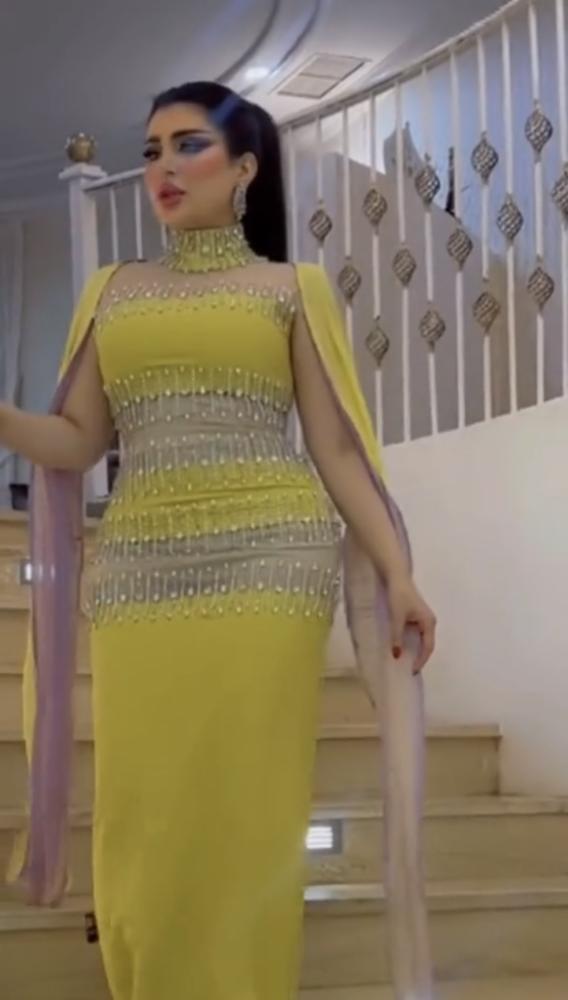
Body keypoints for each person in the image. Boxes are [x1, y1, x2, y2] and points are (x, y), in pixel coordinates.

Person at [2, 82, 436, 1000]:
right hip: (139, 566)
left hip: (271, 562)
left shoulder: (291, 289)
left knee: (247, 810)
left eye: (187, 145)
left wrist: (398, 572)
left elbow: (335, 451)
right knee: (143, 809)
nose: (162, 167)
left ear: (244, 169)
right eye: (151, 150)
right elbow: (77, 441)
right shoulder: (111, 292)